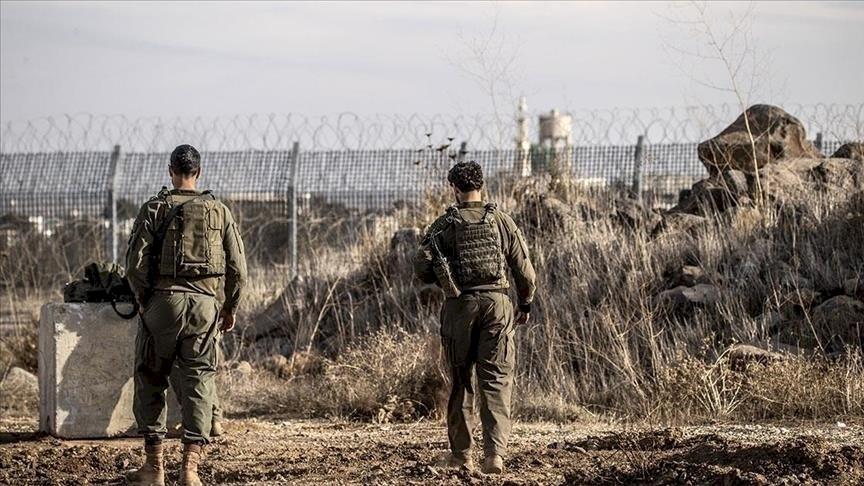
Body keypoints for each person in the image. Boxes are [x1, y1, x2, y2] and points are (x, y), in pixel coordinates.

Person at [125, 144, 247, 486]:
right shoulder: (219, 210)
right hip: (205, 306)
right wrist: (229, 308)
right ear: (199, 171)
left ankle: (154, 468)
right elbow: (238, 268)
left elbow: (134, 266)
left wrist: (146, 302)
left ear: (170, 170)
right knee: (199, 381)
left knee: (151, 378)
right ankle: (190, 470)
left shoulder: (153, 208)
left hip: (162, 304)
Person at [413, 161, 536, 474]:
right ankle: (494, 456)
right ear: (481, 186)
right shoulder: (502, 221)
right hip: (497, 304)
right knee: (495, 381)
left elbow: (421, 270)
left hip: (459, 307)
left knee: (461, 382)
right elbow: (526, 273)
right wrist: (524, 304)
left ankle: (462, 456)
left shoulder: (443, 224)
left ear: (454, 188)